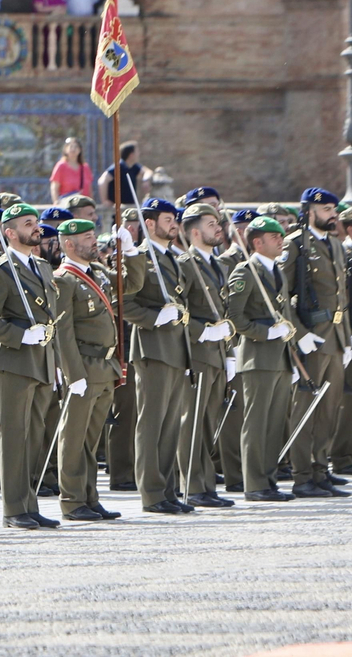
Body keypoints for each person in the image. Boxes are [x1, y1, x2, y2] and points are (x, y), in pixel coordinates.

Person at [0, 203, 60, 529]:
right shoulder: (0, 270)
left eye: (35, 222)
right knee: (13, 435)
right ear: (10, 232)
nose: (36, 228)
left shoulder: (41, 266)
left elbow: (53, 320)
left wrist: (58, 362)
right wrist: (21, 335)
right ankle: (13, 508)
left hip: (40, 360)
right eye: (28, 224)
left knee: (33, 437)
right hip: (13, 361)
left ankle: (29, 503)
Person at [51, 218, 135, 521]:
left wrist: (131, 250)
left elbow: (132, 284)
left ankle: (90, 496)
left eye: (92, 236)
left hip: (105, 366)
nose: (94, 242)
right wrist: (73, 375)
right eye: (87, 238)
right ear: (69, 244)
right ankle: (72, 501)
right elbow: (63, 332)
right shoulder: (64, 279)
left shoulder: (96, 272)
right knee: (74, 437)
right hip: (84, 366)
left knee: (91, 439)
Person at [121, 197, 196, 514]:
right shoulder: (139, 257)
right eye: (168, 219)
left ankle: (167, 489)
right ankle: (151, 493)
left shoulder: (173, 257)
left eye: (175, 218)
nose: (174, 224)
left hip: (177, 348)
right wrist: (154, 318)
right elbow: (123, 303)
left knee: (170, 426)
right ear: (149, 224)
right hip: (152, 348)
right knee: (151, 423)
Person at [280, 187, 351, 498]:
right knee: (305, 408)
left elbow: (342, 296)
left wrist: (347, 337)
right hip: (311, 335)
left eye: (334, 209)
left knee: (329, 408)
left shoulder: (335, 245)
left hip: (334, 337)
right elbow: (282, 295)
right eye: (326, 209)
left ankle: (321, 470)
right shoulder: (295, 244)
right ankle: (302, 475)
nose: (332, 214)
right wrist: (298, 333)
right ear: (309, 211)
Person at [224, 215, 301, 502]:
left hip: (279, 358)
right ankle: (254, 483)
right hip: (257, 356)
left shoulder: (277, 271)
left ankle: (268, 480)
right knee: (256, 423)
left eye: (281, 235)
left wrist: (290, 350)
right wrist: (266, 333)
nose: (281, 240)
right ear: (257, 242)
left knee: (273, 424)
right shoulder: (246, 272)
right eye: (274, 236)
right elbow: (234, 318)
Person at [176, 203, 236, 508]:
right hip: (197, 352)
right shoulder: (185, 265)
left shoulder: (218, 265)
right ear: (195, 232)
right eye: (212, 224)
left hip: (216, 352)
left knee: (210, 421)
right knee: (193, 421)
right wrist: (202, 331)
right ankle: (192, 484)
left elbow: (224, 311)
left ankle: (207, 483)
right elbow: (179, 311)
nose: (219, 228)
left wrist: (229, 351)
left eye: (219, 223)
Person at [98, 141, 148, 206]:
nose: (139, 154)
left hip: (129, 206)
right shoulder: (118, 167)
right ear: (131, 155)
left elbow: (146, 171)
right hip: (118, 207)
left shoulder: (133, 166)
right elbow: (102, 181)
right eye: (137, 151)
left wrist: (145, 180)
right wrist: (105, 201)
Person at [49, 137, 94, 203]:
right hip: (68, 204)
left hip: (83, 205)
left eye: (76, 147)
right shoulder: (61, 166)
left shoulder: (85, 167)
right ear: (65, 150)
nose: (73, 149)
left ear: (80, 150)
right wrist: (56, 201)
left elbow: (89, 188)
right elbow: (54, 186)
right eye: (70, 146)